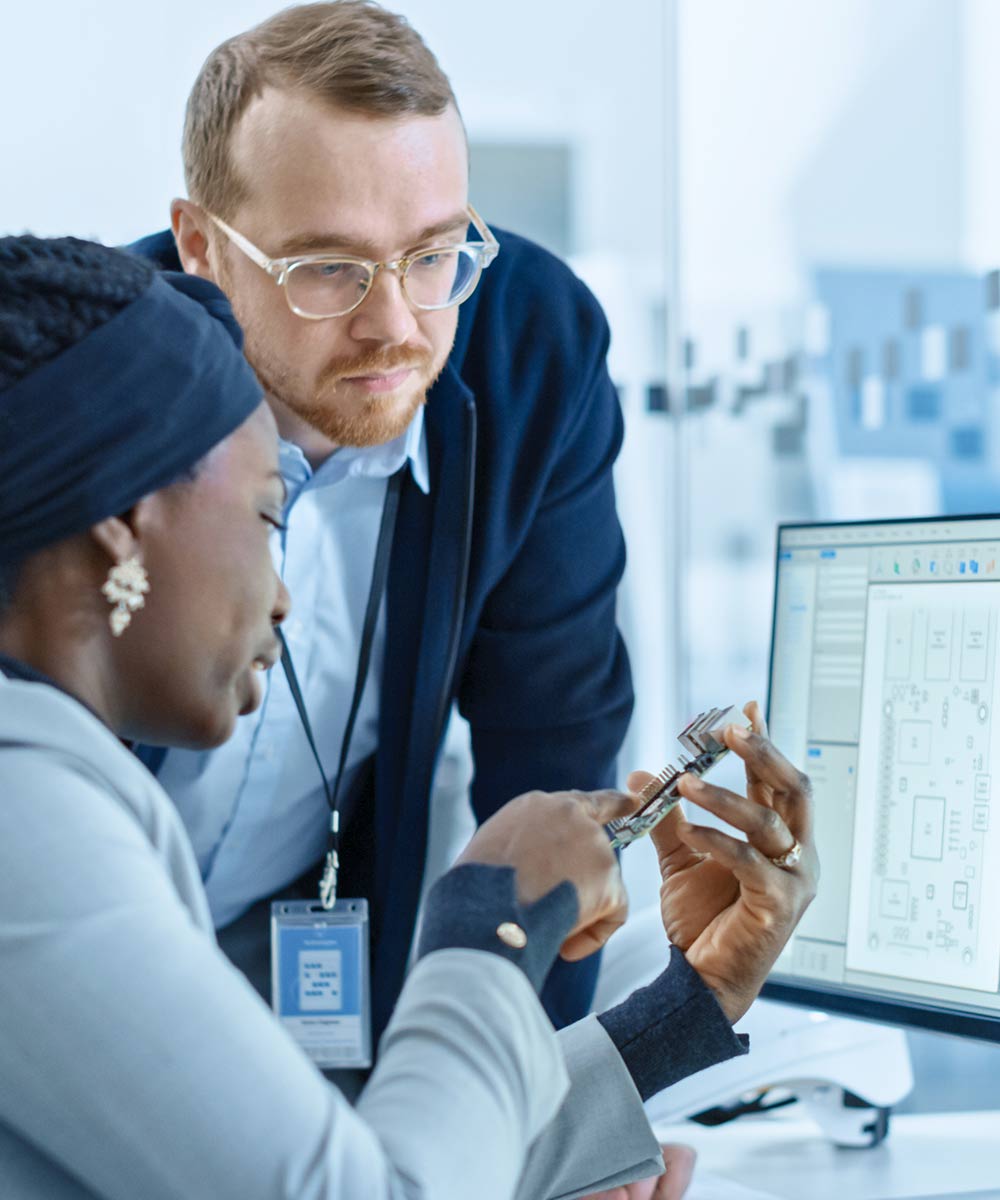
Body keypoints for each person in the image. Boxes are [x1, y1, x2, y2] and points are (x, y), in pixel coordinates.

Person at [0, 235, 818, 1199]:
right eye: (269, 518)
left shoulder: (51, 787)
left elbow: (355, 1165)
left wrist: (687, 1009)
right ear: (122, 529)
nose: (283, 601)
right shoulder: (27, 822)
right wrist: (488, 919)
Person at [129, 0, 635, 1040]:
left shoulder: (532, 352)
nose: (396, 324)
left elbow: (549, 771)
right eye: (328, 267)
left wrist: (549, 1120)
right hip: (67, 935)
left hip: (304, 943)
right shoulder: (74, 381)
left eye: (433, 253)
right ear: (200, 247)